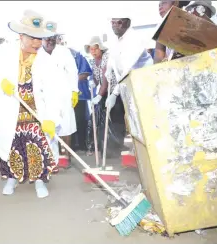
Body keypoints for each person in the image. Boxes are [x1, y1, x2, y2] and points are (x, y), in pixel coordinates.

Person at [0, 10, 62, 198]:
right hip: (11, 108)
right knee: (13, 144)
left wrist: (52, 119)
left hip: (36, 111)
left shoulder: (46, 60)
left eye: (40, 39)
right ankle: (12, 178)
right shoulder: (4, 52)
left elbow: (54, 92)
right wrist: (2, 83)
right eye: (33, 38)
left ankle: (39, 181)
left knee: (37, 144)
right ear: (21, 36)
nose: (37, 43)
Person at [104, 15, 153, 153]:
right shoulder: (117, 39)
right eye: (112, 22)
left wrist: (114, 94)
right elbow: (112, 56)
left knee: (142, 119)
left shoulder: (134, 39)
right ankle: (138, 152)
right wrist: (109, 69)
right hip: (128, 86)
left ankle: (147, 152)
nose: (114, 25)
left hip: (141, 84)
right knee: (132, 119)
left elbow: (127, 70)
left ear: (127, 22)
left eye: (118, 22)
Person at [41, 21, 79, 167]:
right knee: (49, 129)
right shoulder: (38, 54)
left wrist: (74, 91)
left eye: (53, 38)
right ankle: (52, 158)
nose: (50, 41)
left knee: (66, 127)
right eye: (47, 38)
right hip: (47, 99)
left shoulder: (64, 51)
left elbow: (73, 72)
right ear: (42, 38)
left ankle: (66, 156)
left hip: (64, 96)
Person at [56, 35, 93, 155]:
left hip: (78, 95)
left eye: (59, 40)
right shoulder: (49, 55)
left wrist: (70, 82)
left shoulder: (75, 54)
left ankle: (80, 146)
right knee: (61, 123)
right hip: (60, 97)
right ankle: (66, 150)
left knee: (79, 121)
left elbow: (86, 72)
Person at [85, 36, 121, 158]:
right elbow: (97, 79)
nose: (93, 52)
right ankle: (102, 147)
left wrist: (99, 95)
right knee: (98, 119)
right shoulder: (93, 61)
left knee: (116, 119)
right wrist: (93, 82)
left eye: (95, 49)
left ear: (100, 48)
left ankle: (116, 149)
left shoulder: (107, 57)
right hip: (104, 92)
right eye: (91, 49)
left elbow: (105, 80)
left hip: (115, 91)